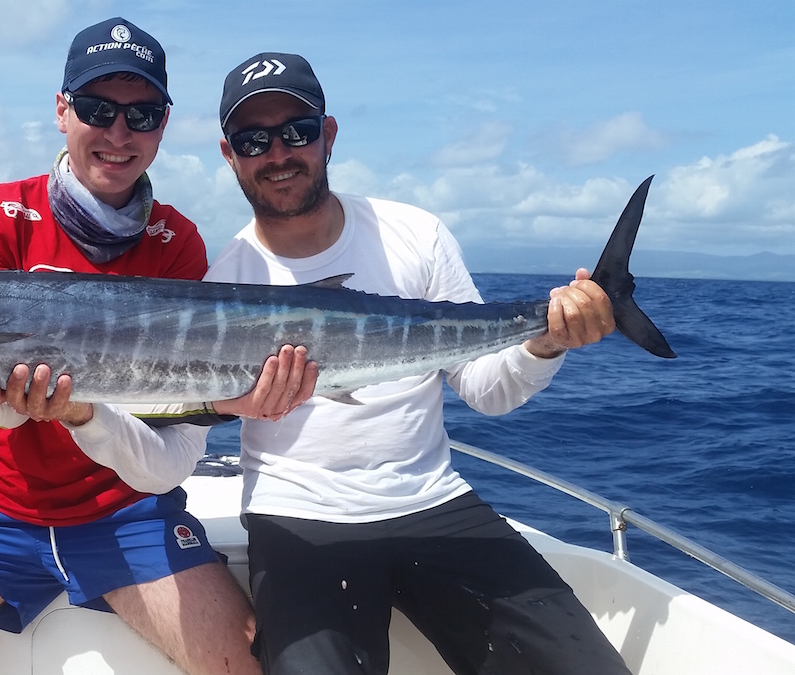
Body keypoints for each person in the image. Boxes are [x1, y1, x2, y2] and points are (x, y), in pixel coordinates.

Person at [0, 22, 313, 675]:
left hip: (130, 509)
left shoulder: (176, 241)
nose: (119, 134)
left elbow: (173, 403)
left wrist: (224, 403)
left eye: (142, 114)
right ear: (62, 108)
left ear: (163, 124)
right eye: (98, 110)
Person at [205, 52, 634, 675]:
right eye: (254, 140)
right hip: (298, 516)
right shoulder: (224, 279)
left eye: (296, 131)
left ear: (328, 134)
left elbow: (487, 390)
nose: (277, 153)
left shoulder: (414, 234)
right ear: (230, 154)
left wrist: (547, 341)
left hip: (435, 503)